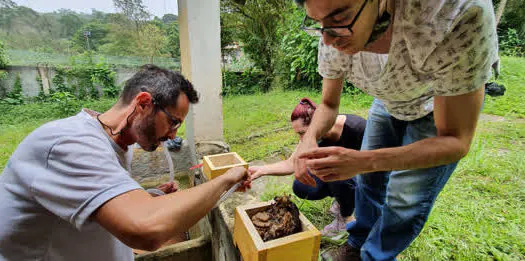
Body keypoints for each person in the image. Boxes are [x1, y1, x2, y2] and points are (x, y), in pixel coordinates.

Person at [291, 0, 499, 260]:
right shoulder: (331, 31)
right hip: (390, 99)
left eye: (340, 17)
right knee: (367, 181)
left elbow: (455, 141)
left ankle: (375, 256)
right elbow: (329, 104)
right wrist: (309, 138)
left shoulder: (454, 13)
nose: (329, 39)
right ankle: (357, 244)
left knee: (405, 199)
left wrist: (363, 160)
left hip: (438, 103)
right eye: (318, 23)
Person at [0, 64, 249, 261]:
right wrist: (225, 180)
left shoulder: (119, 144)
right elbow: (147, 231)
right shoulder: (71, 145)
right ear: (142, 104)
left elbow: (101, 203)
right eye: (173, 122)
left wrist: (146, 197)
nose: (174, 135)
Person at [248, 98, 366, 236]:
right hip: (342, 176)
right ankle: (342, 199)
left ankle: (346, 218)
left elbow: (378, 163)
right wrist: (261, 170)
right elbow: (290, 163)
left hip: (365, 175)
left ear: (317, 123)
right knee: (302, 186)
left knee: (332, 170)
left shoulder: (357, 128)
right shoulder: (312, 137)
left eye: (303, 133)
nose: (301, 139)